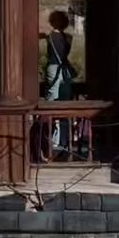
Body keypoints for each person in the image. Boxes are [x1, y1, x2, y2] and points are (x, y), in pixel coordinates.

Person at [41, 11, 77, 155]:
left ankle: (51, 139)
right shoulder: (69, 37)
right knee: (65, 104)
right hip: (65, 70)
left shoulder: (49, 37)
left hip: (53, 69)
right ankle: (63, 140)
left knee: (51, 104)